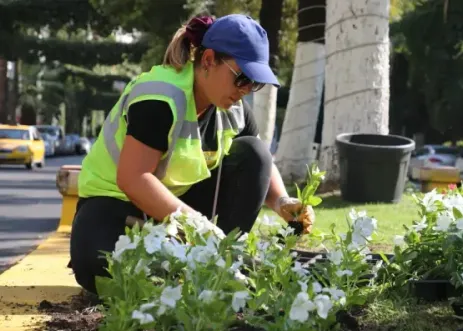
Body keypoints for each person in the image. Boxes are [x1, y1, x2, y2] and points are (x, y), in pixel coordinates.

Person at [69, 14, 315, 295]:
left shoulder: (233, 107)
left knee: (254, 152)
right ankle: (200, 264)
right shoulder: (159, 97)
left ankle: (221, 263)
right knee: (97, 267)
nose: (245, 91)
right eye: (243, 78)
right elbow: (133, 178)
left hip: (173, 208)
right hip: (115, 204)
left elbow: (260, 164)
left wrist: (283, 201)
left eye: (254, 84)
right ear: (208, 60)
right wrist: (196, 225)